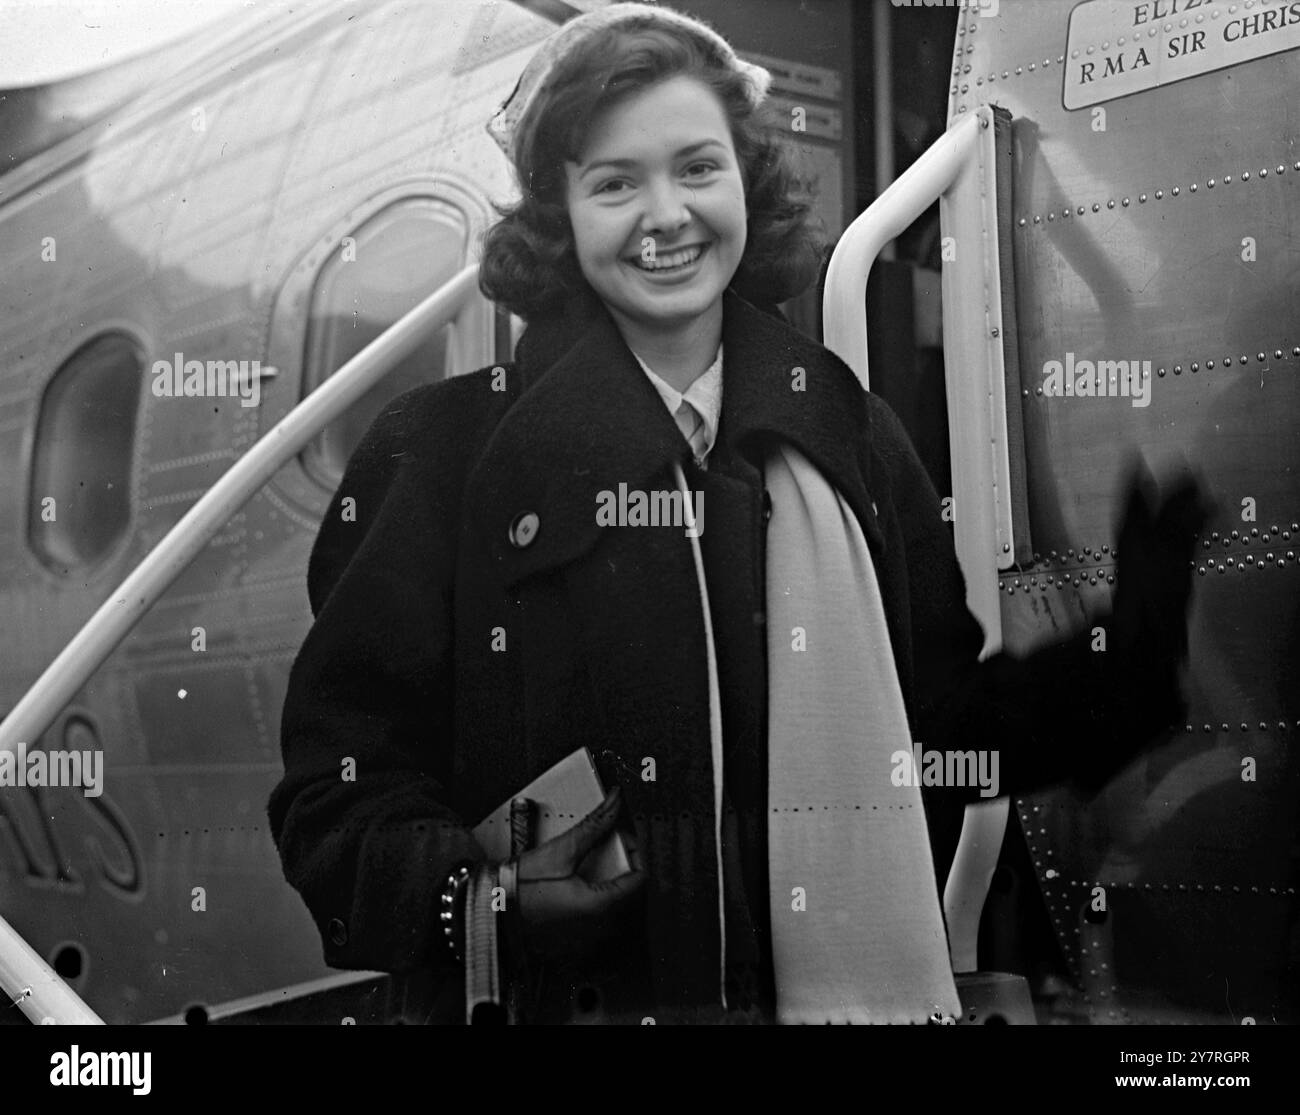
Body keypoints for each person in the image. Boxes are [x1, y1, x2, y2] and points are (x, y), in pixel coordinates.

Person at [269, 2, 1206, 1025]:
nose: (665, 214)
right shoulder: (441, 452)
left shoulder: (849, 433)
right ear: (558, 212)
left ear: (745, 183)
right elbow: (337, 795)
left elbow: (935, 735)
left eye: (697, 168)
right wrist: (482, 901)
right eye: (614, 182)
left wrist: (1125, 658)